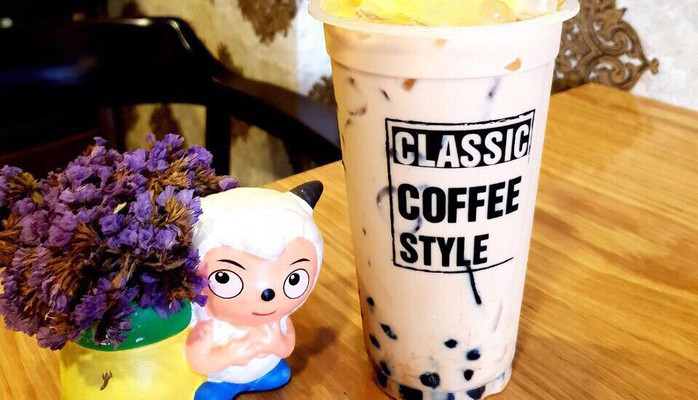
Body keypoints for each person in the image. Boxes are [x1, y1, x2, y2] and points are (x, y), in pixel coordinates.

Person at [185, 181, 324, 400]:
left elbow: (287, 346)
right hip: (221, 378)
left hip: (266, 369)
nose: (267, 294)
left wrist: (276, 343)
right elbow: (199, 360)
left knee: (280, 373)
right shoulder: (208, 324)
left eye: (294, 279)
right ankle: (226, 386)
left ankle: (261, 375)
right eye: (224, 278)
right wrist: (235, 351)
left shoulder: (276, 319)